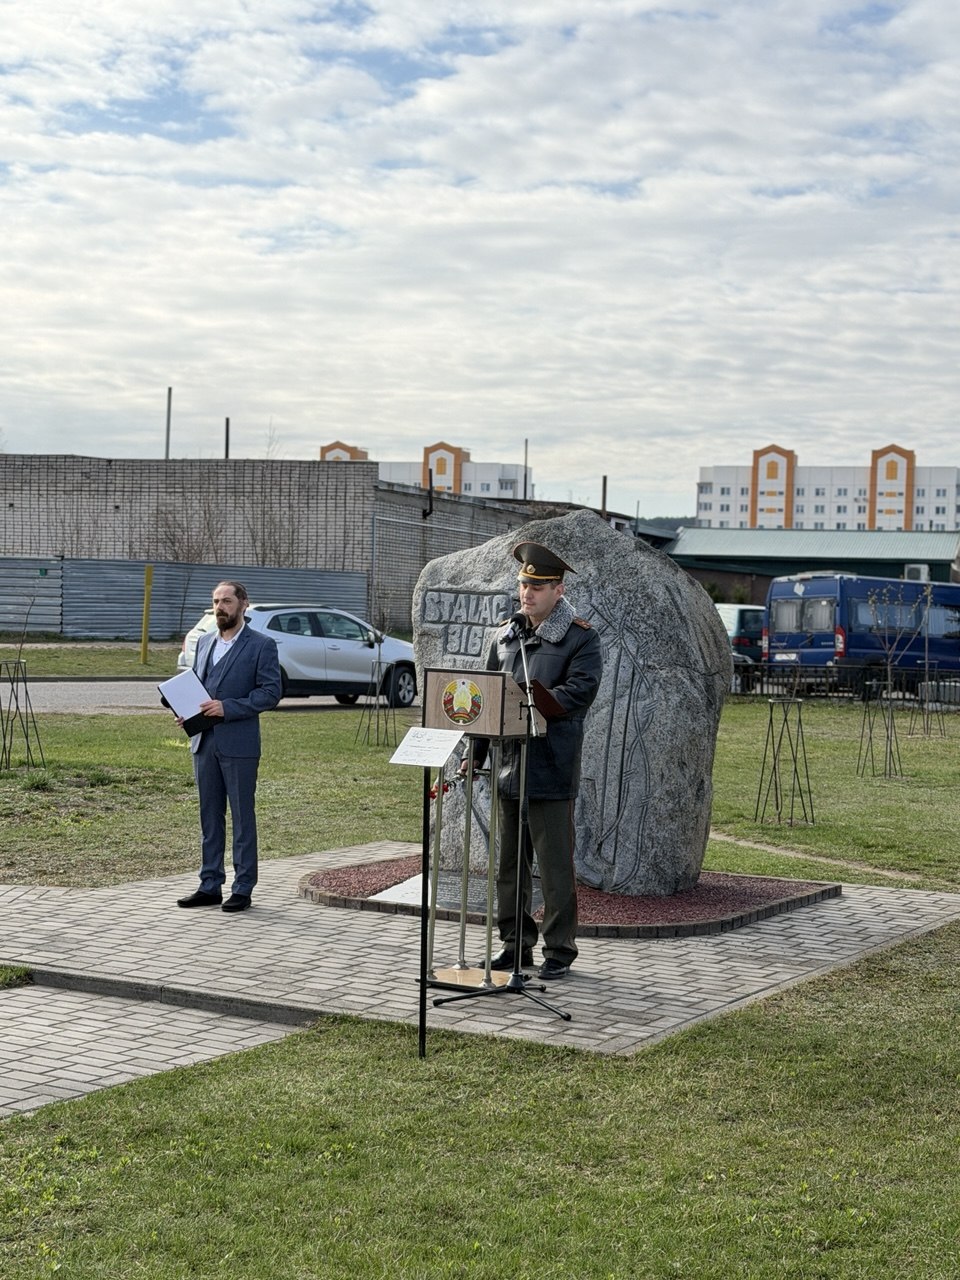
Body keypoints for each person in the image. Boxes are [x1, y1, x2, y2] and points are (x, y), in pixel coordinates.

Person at [473, 541, 603, 979]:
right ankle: (515, 945)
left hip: (550, 765)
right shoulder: (505, 636)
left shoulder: (581, 638)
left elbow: (580, 691)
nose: (526, 593)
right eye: (523, 585)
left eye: (537, 586)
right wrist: (476, 754)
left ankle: (559, 950)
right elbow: (487, 698)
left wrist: (536, 700)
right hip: (509, 767)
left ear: (558, 590)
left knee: (553, 868)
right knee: (509, 866)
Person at [175, 580, 282, 913]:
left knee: (242, 817)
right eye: (215, 602)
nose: (220, 608)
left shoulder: (262, 645)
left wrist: (228, 707)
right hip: (204, 741)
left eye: (226, 601)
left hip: (239, 744)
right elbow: (198, 685)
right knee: (209, 817)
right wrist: (185, 710)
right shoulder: (205, 642)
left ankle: (243, 887)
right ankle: (209, 885)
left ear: (243, 604)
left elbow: (270, 693)